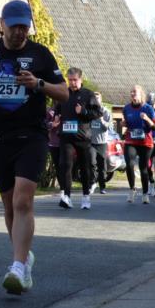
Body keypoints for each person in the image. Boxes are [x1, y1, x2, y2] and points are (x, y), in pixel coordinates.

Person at [0, 0, 68, 295]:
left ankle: (17, 266)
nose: (20, 32)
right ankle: (24, 257)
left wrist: (38, 83)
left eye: (24, 26)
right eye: (14, 25)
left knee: (22, 201)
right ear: (2, 23)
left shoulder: (40, 54)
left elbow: (64, 92)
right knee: (9, 205)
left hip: (31, 136)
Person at [55, 67, 102, 210]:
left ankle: (86, 196)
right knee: (66, 165)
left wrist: (84, 111)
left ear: (80, 79)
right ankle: (67, 197)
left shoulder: (88, 94)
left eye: (75, 80)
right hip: (66, 136)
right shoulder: (64, 93)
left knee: (84, 167)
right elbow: (57, 109)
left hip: (82, 136)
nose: (72, 83)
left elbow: (98, 112)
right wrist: (57, 117)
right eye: (70, 80)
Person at [121, 84, 155, 204]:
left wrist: (147, 119)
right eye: (131, 92)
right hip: (131, 140)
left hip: (145, 142)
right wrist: (124, 124)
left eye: (135, 92)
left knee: (143, 168)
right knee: (129, 164)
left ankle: (145, 193)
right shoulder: (126, 108)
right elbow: (127, 123)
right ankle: (132, 189)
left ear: (141, 94)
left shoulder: (148, 108)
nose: (132, 94)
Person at [88, 92, 113, 194]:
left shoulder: (106, 112)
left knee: (102, 165)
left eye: (98, 98)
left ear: (101, 100)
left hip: (102, 142)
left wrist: (102, 119)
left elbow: (108, 127)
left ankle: (102, 186)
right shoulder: (90, 111)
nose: (96, 100)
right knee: (92, 162)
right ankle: (93, 183)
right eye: (94, 98)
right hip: (91, 142)